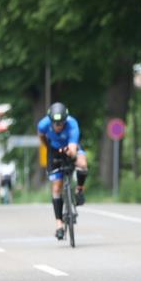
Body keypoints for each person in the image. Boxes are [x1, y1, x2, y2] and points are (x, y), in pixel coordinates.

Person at [38, 102, 88, 241]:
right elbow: (41, 136)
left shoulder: (72, 124)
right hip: (53, 150)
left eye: (61, 123)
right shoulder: (43, 124)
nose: (58, 126)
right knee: (57, 186)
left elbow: (73, 148)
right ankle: (59, 225)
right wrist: (49, 148)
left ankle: (79, 190)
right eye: (56, 123)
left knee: (82, 164)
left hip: (69, 147)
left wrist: (69, 153)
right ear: (51, 121)